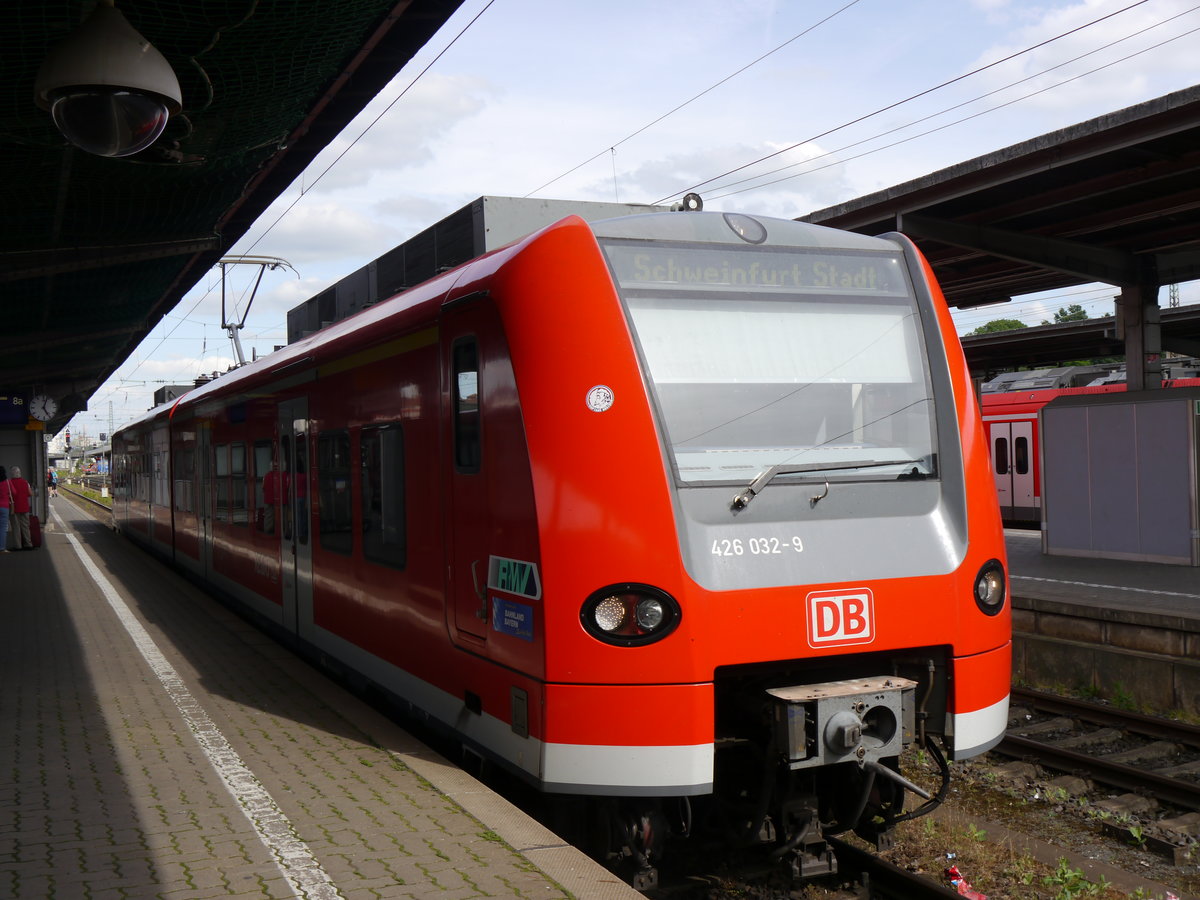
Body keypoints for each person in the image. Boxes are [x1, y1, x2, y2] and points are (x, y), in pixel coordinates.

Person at [8, 466, 33, 550]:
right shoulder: (25, 482)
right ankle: (28, 544)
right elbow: (30, 494)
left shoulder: (9, 483)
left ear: (12, 474)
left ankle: (18, 546)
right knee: (25, 526)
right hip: (25, 507)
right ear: (20, 473)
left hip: (14, 508)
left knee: (16, 527)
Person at [0, 466, 9, 554]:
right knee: (3, 528)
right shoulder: (7, 482)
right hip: (4, 507)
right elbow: (14, 492)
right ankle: (2, 548)